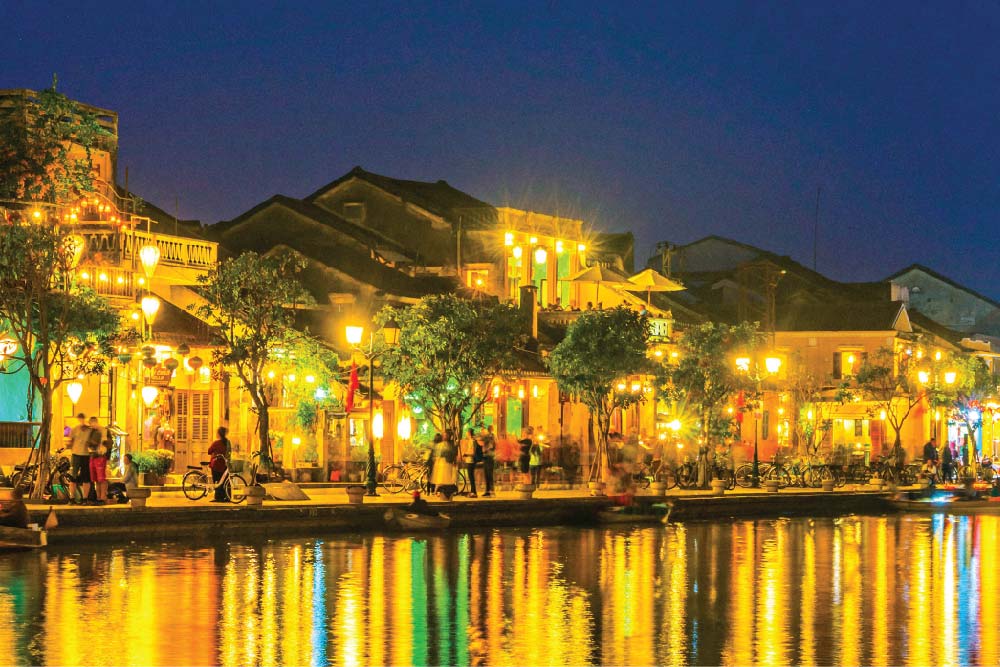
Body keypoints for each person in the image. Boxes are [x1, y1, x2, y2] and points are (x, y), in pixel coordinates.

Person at [67, 413, 92, 505]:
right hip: (76, 454)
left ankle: (85, 498)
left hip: (86, 455)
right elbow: (71, 441)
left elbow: (93, 441)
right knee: (73, 477)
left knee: (86, 478)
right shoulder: (74, 429)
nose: (81, 420)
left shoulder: (90, 430)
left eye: (82, 419)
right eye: (80, 419)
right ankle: (72, 498)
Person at [88, 416, 110, 505]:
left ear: (95, 422)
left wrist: (106, 455)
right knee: (96, 478)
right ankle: (98, 497)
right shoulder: (92, 431)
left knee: (101, 478)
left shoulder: (103, 430)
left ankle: (103, 497)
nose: (91, 426)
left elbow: (106, 444)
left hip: (100, 456)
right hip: (93, 456)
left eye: (92, 423)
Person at [431, 430, 459, 499]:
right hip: (442, 464)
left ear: (449, 436)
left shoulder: (451, 445)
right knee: (441, 478)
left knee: (446, 479)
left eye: (445, 435)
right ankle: (439, 491)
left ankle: (446, 493)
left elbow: (454, 454)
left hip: (447, 464)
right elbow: (437, 455)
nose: (444, 436)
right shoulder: (441, 445)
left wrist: (454, 461)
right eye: (443, 435)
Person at [207, 427, 231, 502]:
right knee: (225, 481)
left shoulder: (216, 443)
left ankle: (218, 497)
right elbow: (230, 452)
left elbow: (209, 451)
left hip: (216, 464)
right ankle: (226, 496)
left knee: (217, 481)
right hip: (225, 464)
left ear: (219, 434)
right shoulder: (228, 442)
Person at [461, 428, 482, 498]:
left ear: (469, 433)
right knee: (471, 477)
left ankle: (473, 492)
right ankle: (473, 491)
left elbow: (472, 452)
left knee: (471, 477)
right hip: (469, 460)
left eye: (467, 432)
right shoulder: (472, 441)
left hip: (471, 460)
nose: (466, 434)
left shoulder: (472, 441)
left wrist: (466, 454)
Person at [480, 425, 497, 497]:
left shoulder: (491, 436)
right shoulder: (487, 437)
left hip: (490, 456)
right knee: (486, 473)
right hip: (486, 456)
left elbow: (493, 445)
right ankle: (487, 491)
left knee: (489, 474)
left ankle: (491, 491)